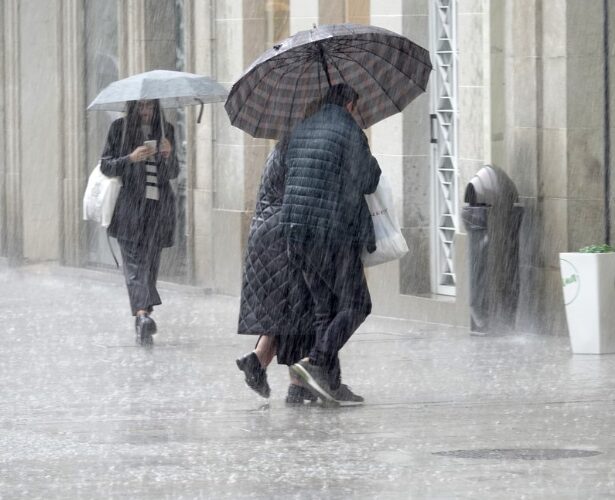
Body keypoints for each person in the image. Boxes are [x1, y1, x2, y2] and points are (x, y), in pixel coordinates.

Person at [282, 83, 381, 405]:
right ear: (351, 104)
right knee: (356, 304)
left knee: (325, 308)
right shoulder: (349, 130)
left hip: (295, 231)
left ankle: (330, 386)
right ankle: (315, 363)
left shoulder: (301, 129)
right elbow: (368, 180)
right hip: (331, 232)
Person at [235, 136, 319, 405]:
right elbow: (301, 199)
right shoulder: (301, 149)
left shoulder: (281, 148)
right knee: (302, 307)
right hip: (284, 237)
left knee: (282, 310)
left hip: (264, 235)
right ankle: (297, 385)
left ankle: (257, 359)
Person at [100, 99, 179, 345]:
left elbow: (174, 173)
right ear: (133, 107)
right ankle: (143, 315)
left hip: (158, 210)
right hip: (129, 211)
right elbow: (106, 166)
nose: (146, 112)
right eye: (142, 107)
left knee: (150, 267)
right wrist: (131, 158)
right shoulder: (119, 129)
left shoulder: (166, 130)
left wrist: (168, 155)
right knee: (134, 267)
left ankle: (142, 318)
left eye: (150, 107)